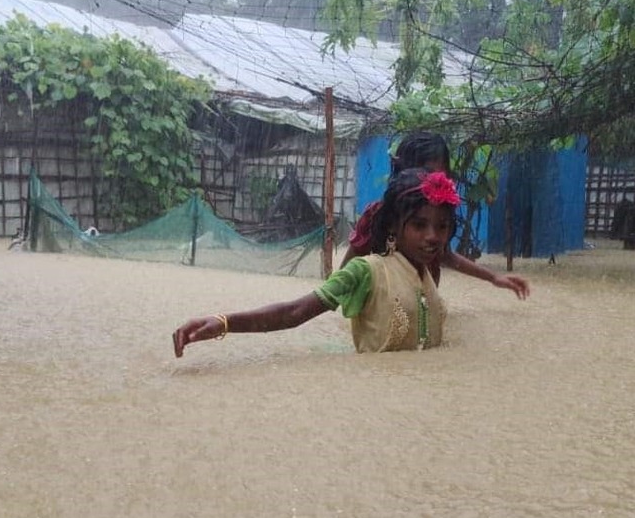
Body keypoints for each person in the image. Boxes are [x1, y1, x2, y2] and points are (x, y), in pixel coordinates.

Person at [173, 168, 464, 356]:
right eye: (419, 225)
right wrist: (224, 322)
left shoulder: (425, 275)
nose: (432, 236)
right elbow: (295, 312)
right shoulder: (366, 271)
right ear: (393, 226)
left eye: (442, 226)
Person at [342, 132, 530, 300]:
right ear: (402, 174)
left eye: (440, 178)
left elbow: (447, 256)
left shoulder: (437, 220)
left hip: (425, 307)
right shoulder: (379, 216)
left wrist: (493, 277)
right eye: (425, 175)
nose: (433, 185)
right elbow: (343, 277)